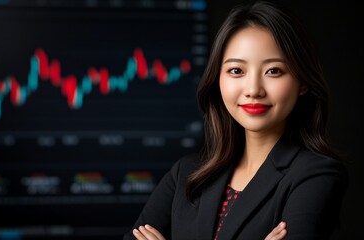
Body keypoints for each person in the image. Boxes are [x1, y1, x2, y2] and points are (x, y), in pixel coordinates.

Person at [123, 1, 349, 239]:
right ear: (217, 79)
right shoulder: (185, 174)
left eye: (273, 71)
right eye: (236, 71)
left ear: (303, 82)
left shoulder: (316, 175)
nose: (253, 89)